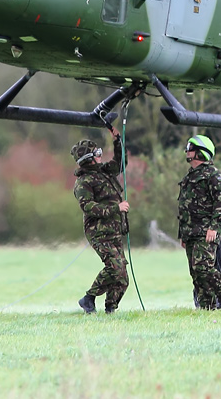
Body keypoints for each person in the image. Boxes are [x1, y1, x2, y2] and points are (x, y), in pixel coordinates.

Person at [72, 129, 129, 314]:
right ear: (89, 158)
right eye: (97, 154)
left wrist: (117, 141)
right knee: (115, 267)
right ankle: (88, 298)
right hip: (99, 232)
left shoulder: (104, 171)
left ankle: (110, 308)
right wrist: (116, 208)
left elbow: (120, 163)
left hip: (115, 230)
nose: (100, 156)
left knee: (122, 278)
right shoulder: (84, 182)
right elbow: (88, 207)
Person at [177, 134, 221, 309]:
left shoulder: (214, 176)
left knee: (204, 268)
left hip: (206, 231)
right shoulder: (189, 177)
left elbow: (220, 204)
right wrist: (183, 235)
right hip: (191, 233)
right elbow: (184, 208)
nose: (187, 151)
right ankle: (206, 308)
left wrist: (214, 228)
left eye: (191, 148)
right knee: (196, 273)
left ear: (200, 153)